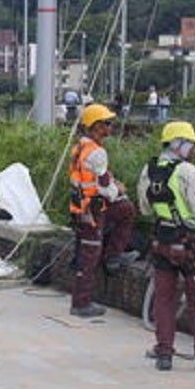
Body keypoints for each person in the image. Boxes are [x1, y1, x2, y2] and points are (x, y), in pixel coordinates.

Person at [137, 121, 195, 372]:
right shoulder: (188, 172)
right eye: (190, 144)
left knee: (163, 299)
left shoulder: (148, 170)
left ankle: (164, 354)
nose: (193, 149)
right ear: (178, 144)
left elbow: (144, 208)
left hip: (162, 240)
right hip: (189, 243)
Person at [67, 103, 138, 318]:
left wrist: (112, 187)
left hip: (82, 206)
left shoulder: (80, 147)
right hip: (92, 210)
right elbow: (106, 188)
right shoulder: (97, 153)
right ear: (96, 126)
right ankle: (81, 303)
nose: (111, 126)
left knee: (126, 210)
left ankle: (113, 255)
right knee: (89, 256)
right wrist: (119, 190)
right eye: (107, 123)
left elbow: (93, 179)